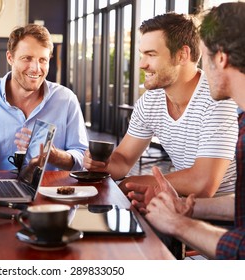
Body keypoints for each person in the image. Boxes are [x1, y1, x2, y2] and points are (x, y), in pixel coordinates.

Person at [127, 2, 245, 259]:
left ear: (221, 58)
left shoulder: (222, 106)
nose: (200, 67)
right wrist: (184, 208)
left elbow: (240, 248)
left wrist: (179, 223)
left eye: (203, 54)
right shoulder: (243, 120)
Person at [84, 12, 238, 198]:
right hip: (182, 205)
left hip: (229, 214)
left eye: (151, 54)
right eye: (142, 55)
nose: (142, 64)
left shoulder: (217, 100)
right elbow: (123, 161)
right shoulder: (150, 101)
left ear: (182, 55)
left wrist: (130, 183)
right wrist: (103, 164)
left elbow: (202, 183)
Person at [0, 24, 88, 172]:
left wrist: (55, 156)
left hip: (50, 191)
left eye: (43, 60)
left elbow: (82, 157)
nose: (36, 68)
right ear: (10, 58)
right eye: (27, 58)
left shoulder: (66, 99)